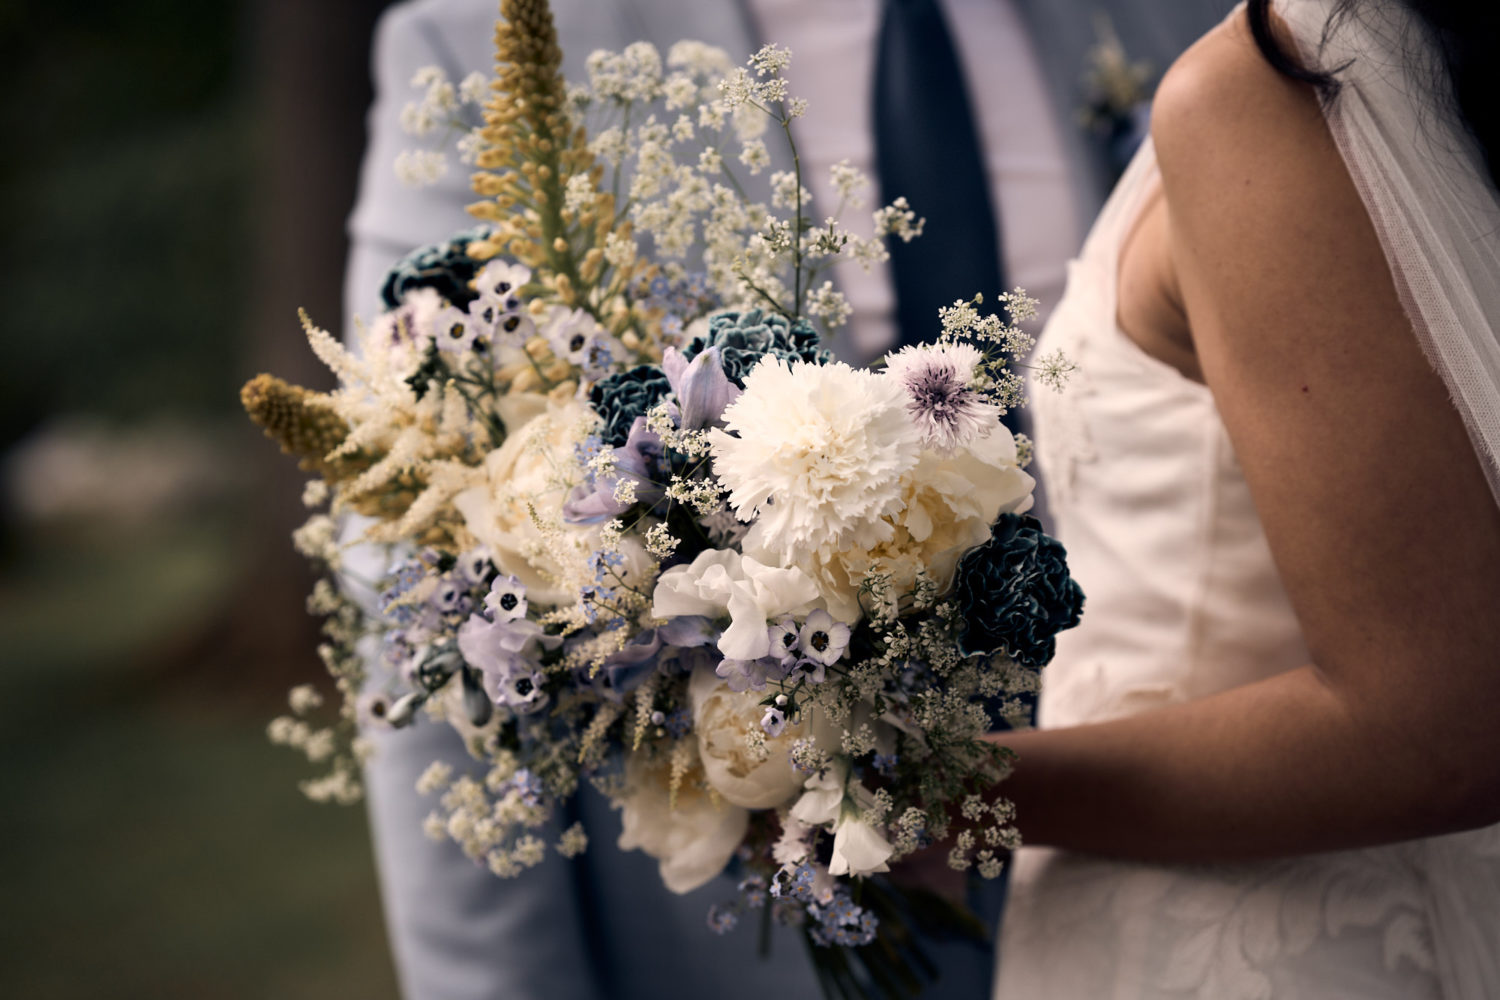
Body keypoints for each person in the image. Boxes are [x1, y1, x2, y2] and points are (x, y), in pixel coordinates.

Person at [342, 1, 1223, 997]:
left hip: (1181, 866)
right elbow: (416, 586)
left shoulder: (1185, 20)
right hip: (759, 942)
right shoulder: (470, 46)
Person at [989, 0, 1500, 995]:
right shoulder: (1427, 55)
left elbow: (1440, 728)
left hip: (1250, 937)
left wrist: (952, 793)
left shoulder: (1267, 91)